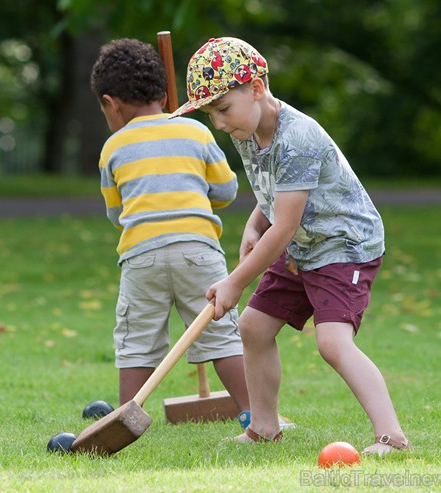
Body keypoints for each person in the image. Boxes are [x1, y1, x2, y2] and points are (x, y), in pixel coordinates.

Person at [171, 37, 411, 455]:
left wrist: (234, 282)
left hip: (344, 246)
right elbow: (275, 196)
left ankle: (392, 437)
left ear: (257, 87)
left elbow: (283, 228)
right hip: (304, 243)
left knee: (332, 343)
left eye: (223, 109)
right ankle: (263, 428)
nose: (220, 123)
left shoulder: (298, 137)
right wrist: (253, 221)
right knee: (253, 327)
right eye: (212, 114)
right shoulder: (245, 131)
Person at [89, 38, 251, 423]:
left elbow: (117, 214)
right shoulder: (196, 133)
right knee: (222, 335)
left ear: (111, 104)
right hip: (198, 250)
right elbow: (226, 190)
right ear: (163, 93)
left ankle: (125, 421)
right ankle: (253, 412)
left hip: (140, 256)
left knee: (137, 342)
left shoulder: (112, 148)